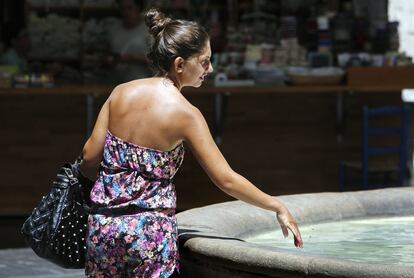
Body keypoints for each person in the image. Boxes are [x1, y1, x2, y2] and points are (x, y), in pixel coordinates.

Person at [82, 8, 303, 277]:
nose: (210, 69)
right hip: (149, 235)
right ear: (179, 65)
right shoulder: (187, 114)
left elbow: (90, 155)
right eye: (205, 61)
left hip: (103, 228)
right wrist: (276, 206)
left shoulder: (120, 93)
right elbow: (226, 180)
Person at [105, 0, 152, 83]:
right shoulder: (114, 29)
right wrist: (110, 60)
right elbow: (108, 53)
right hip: (118, 85)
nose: (126, 12)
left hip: (143, 85)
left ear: (138, 8)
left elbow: (158, 62)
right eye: (123, 9)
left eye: (129, 8)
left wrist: (132, 58)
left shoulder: (149, 30)